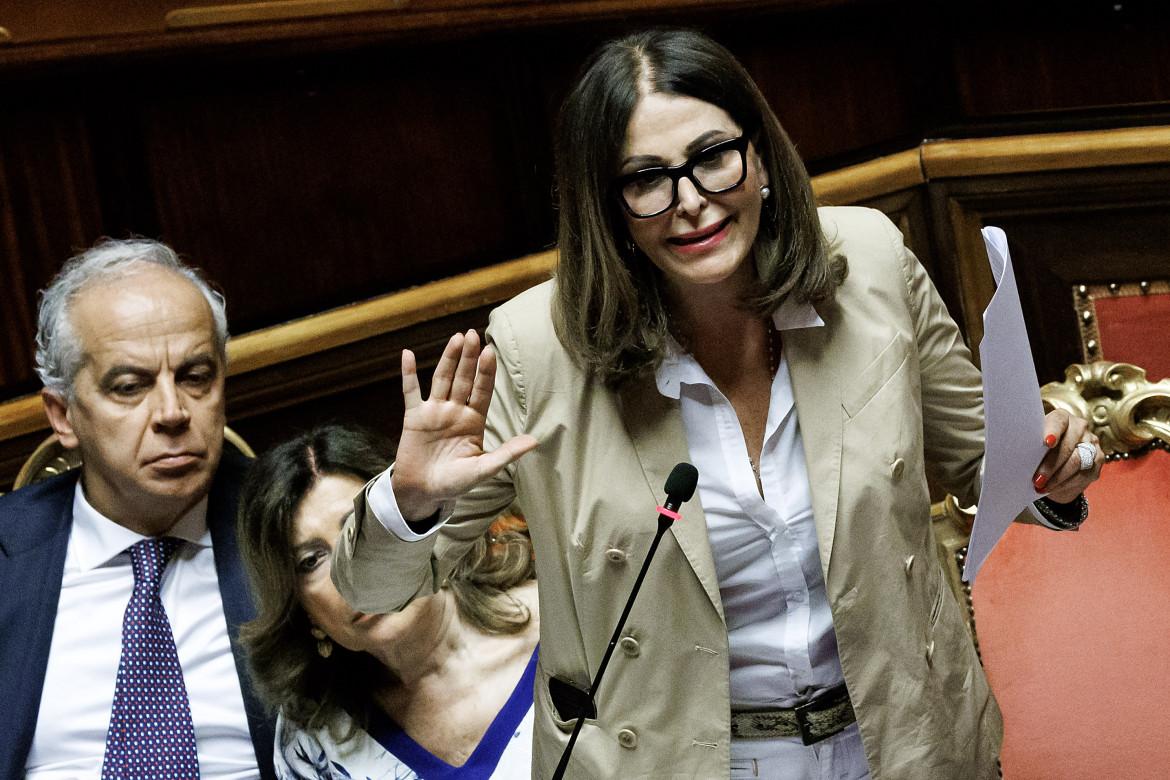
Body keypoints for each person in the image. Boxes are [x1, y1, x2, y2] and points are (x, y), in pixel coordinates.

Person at [330, 29, 1103, 780]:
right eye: (646, 178)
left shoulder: (869, 263)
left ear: (759, 155)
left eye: (712, 157)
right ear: (612, 207)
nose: (691, 202)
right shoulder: (537, 350)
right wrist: (412, 500)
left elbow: (988, 462)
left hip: (905, 740)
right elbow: (373, 591)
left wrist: (1053, 469)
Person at [0, 239, 275, 778]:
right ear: (63, 416)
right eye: (130, 386)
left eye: (196, 377)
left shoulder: (287, 522)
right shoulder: (7, 554)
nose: (173, 412)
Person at [236, 424, 539, 780]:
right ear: (301, 608)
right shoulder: (311, 738)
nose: (353, 574)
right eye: (311, 561)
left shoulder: (562, 633)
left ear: (422, 521)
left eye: (360, 531)